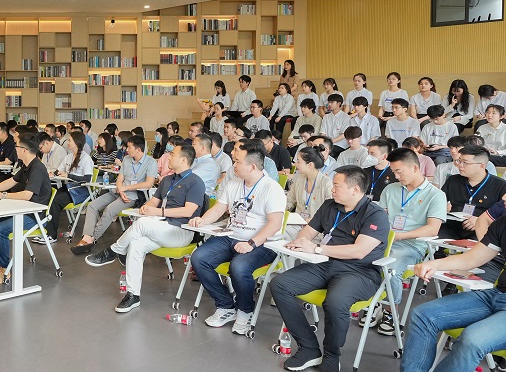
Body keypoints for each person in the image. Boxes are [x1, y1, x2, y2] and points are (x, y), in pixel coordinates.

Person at [355, 216, 506, 372]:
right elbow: (472, 259)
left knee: (472, 341)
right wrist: (435, 264)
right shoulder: (503, 223)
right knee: (423, 315)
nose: (503, 201)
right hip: (496, 295)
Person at [271, 166, 391, 372]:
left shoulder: (375, 215)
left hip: (360, 271)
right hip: (325, 263)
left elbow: (359, 251)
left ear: (355, 189)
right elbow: (309, 230)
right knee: (280, 284)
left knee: (335, 302)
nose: (332, 189)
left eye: (336, 185)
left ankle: (331, 355)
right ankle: (309, 348)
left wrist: (317, 249)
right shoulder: (330, 205)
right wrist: (301, 241)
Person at [87, 143, 206, 312]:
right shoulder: (167, 180)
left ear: (183, 160)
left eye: (173, 154)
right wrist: (146, 207)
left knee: (142, 224)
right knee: (136, 245)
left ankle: (113, 251)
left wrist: (158, 212)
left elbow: (188, 211)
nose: (168, 157)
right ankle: (133, 295)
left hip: (181, 231)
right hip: (161, 227)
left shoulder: (195, 182)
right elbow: (154, 202)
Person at [188, 144, 285, 334]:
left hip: (263, 243)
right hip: (231, 236)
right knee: (199, 258)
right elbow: (219, 209)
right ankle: (225, 306)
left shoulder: (271, 188)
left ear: (252, 167)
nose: (234, 165)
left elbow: (275, 224)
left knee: (239, 267)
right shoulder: (233, 184)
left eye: (238, 162)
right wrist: (202, 220)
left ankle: (245, 310)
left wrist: (251, 243)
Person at [370, 148, 447, 335]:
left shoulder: (436, 195)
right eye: (393, 172)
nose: (396, 176)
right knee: (360, 258)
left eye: (399, 172)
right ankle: (373, 304)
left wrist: (399, 236)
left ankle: (390, 312)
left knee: (390, 268)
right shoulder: (391, 189)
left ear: (415, 168)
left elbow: (433, 229)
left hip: (411, 245)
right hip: (385, 241)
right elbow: (380, 217)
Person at [0, 134, 52, 286]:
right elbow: (12, 181)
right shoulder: (27, 166)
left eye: (17, 147)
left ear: (24, 150)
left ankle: (4, 268)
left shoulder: (37, 168)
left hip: (34, 216)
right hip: (22, 210)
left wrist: (3, 195)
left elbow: (27, 195)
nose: (15, 149)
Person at [70, 135, 158, 252]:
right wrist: (120, 189)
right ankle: (87, 236)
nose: (126, 149)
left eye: (129, 147)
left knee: (110, 210)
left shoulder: (151, 162)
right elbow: (120, 178)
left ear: (138, 149)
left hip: (131, 196)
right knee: (92, 206)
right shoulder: (126, 159)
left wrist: (125, 189)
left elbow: (148, 184)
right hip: (117, 191)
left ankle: (91, 239)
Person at [439, 145, 506, 240]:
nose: (460, 165)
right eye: (459, 161)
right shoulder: (453, 180)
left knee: (480, 244)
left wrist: (481, 221)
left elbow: (502, 216)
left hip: (482, 228)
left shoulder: (500, 185)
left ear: (482, 165)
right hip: (452, 226)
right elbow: (438, 201)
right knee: (435, 241)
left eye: (465, 163)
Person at [44, 131, 94, 239]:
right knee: (48, 196)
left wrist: (68, 175)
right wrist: (53, 174)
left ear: (76, 142)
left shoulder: (86, 159)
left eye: (70, 140)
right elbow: (59, 170)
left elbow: (87, 178)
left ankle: (51, 235)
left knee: (55, 200)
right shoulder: (69, 157)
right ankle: (45, 231)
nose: (68, 143)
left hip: (79, 191)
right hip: (69, 188)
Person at [285, 146, 332, 224]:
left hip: (317, 226)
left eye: (298, 162)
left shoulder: (327, 183)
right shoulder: (299, 179)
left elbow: (329, 211)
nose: (295, 164)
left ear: (310, 165)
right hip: (297, 223)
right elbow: (289, 201)